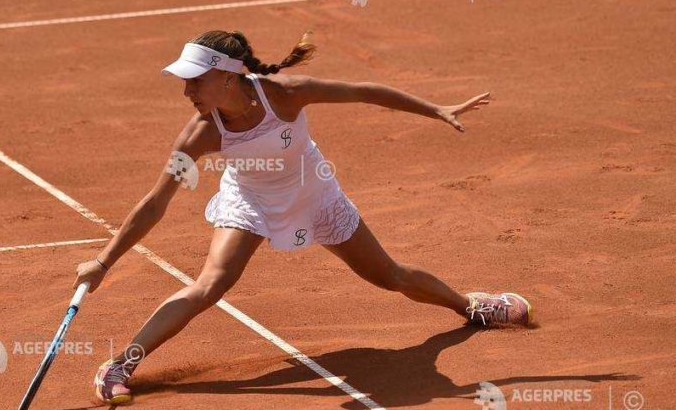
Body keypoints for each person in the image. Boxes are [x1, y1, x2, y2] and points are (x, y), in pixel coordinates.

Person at [73, 30, 531, 405]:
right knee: (210, 284)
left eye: (195, 81)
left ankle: (470, 305)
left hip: (315, 194)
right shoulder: (199, 135)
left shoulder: (286, 95)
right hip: (249, 201)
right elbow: (156, 203)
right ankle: (121, 363)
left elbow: (363, 92)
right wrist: (104, 262)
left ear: (228, 78)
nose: (186, 91)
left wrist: (435, 109)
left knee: (389, 275)